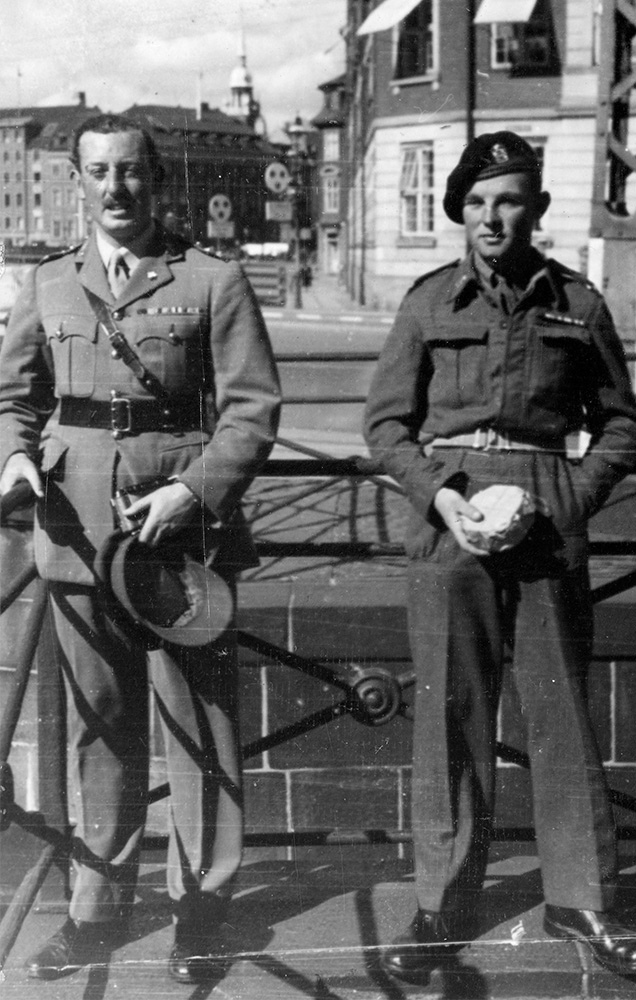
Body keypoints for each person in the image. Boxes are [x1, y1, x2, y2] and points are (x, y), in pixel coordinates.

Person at [363, 132, 636, 983]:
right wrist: (438, 494)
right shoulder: (428, 303)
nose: (494, 217)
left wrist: (567, 497)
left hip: (543, 518)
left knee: (561, 712)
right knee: (451, 716)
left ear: (535, 208)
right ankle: (443, 901)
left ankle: (583, 899)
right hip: (451, 517)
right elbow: (386, 424)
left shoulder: (577, 304)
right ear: (460, 209)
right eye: (480, 201)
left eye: (511, 200)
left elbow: (620, 425)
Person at [0, 114, 281, 983]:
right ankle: (96, 910)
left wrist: (191, 491)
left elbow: (253, 411)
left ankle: (202, 908)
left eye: (131, 173)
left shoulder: (212, 279)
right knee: (99, 728)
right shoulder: (48, 284)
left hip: (182, 537)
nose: (115, 188)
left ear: (155, 182)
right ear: (77, 181)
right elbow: (11, 395)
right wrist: (14, 456)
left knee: (200, 726)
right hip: (77, 534)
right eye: (98, 173)